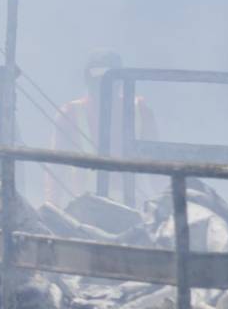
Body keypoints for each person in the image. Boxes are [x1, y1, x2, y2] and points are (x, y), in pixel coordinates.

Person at [46, 49, 159, 206]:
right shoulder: (70, 114)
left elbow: (156, 165)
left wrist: (168, 205)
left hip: (135, 207)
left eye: (110, 76)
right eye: (97, 77)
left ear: (121, 80)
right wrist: (51, 206)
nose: (103, 83)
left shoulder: (141, 111)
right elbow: (56, 169)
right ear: (88, 78)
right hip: (87, 208)